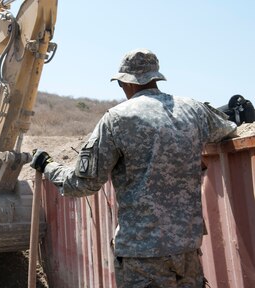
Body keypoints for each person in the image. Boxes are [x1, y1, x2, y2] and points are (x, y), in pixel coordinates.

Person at [31, 48, 237, 287]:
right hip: (187, 251)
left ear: (125, 84)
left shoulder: (116, 119)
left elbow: (83, 183)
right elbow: (229, 129)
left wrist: (48, 166)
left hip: (142, 257)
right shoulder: (193, 109)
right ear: (155, 78)